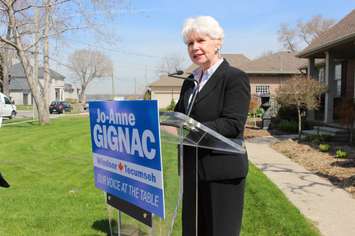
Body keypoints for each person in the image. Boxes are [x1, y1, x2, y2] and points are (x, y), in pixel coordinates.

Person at [174, 16, 250, 236]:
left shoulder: (234, 78)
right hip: (191, 169)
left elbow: (232, 124)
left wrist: (191, 130)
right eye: (190, 43)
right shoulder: (190, 81)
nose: (194, 47)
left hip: (222, 171)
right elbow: (178, 117)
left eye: (200, 40)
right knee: (193, 230)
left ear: (218, 42)